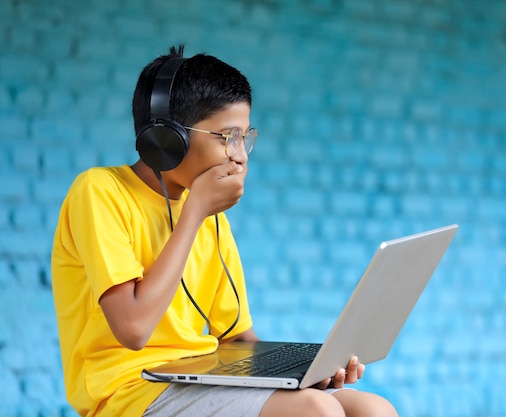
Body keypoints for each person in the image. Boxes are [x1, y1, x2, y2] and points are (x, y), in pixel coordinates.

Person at [51, 44, 399, 417]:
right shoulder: (100, 192)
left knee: (374, 409)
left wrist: (302, 372)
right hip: (130, 393)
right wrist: (196, 211)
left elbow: (236, 337)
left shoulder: (209, 216)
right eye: (227, 136)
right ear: (167, 139)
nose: (241, 154)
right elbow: (133, 329)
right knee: (318, 411)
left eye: (245, 137)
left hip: (199, 379)